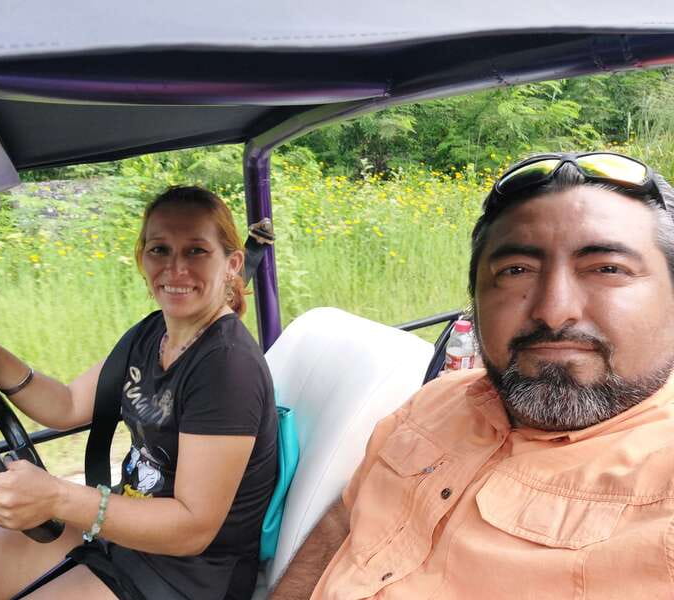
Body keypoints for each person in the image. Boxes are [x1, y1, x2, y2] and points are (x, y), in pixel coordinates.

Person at [271, 152, 674, 599]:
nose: (553, 310)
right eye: (516, 271)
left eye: (607, 269)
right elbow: (343, 520)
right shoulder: (434, 401)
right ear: (475, 302)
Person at [0, 186, 278, 600]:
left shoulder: (226, 367)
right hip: (120, 536)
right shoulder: (152, 334)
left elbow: (191, 528)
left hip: (185, 578)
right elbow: (67, 404)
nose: (175, 268)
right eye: (160, 249)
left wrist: (56, 496)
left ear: (232, 263)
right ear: (142, 258)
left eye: (196, 251)